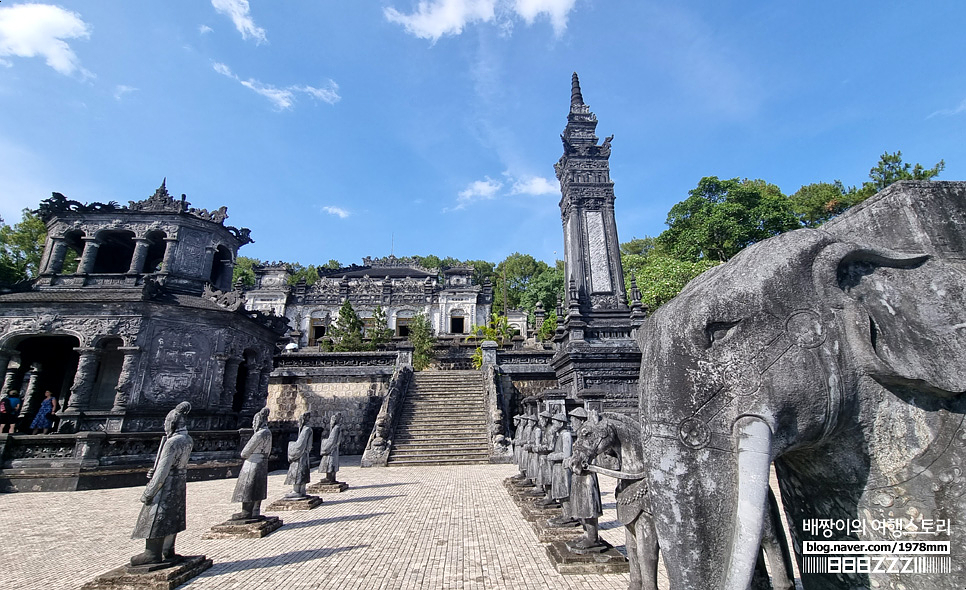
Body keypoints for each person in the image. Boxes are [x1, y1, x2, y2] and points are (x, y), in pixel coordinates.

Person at [130, 401, 193, 566]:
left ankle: (152, 553)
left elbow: (162, 471)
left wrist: (148, 493)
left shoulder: (172, 442)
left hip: (166, 484)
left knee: (157, 515)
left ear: (171, 423)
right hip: (179, 481)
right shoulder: (187, 439)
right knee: (174, 515)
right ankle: (168, 549)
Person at [230, 407, 272, 521]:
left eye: (254, 422)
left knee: (248, 488)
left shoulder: (259, 435)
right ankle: (255, 510)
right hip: (263, 463)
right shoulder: (268, 433)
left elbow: (244, 453)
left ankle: (246, 512)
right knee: (259, 487)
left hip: (252, 463)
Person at [284, 411, 313, 498]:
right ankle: (302, 489)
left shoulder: (306, 430)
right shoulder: (308, 429)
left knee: (298, 472)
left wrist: (291, 445)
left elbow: (300, 444)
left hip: (301, 455)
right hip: (305, 454)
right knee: (302, 471)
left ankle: (296, 490)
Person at [317, 412, 342, 484]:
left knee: (329, 462)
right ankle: (331, 477)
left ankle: (329, 477)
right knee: (332, 462)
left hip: (331, 449)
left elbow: (331, 440)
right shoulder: (337, 428)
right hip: (333, 448)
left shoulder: (336, 428)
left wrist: (324, 442)